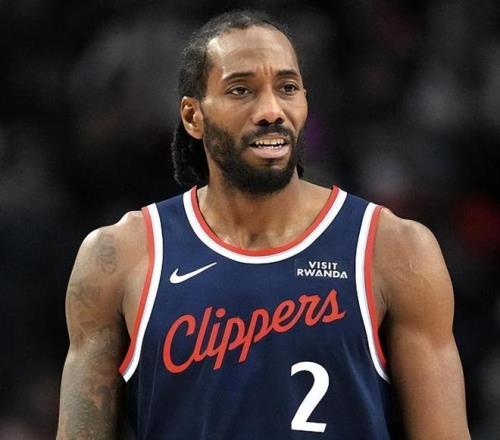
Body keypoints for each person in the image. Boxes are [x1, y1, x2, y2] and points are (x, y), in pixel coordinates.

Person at [57, 9, 470, 439]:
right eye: (241, 90)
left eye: (287, 88)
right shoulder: (122, 256)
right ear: (193, 116)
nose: (271, 110)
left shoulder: (395, 249)